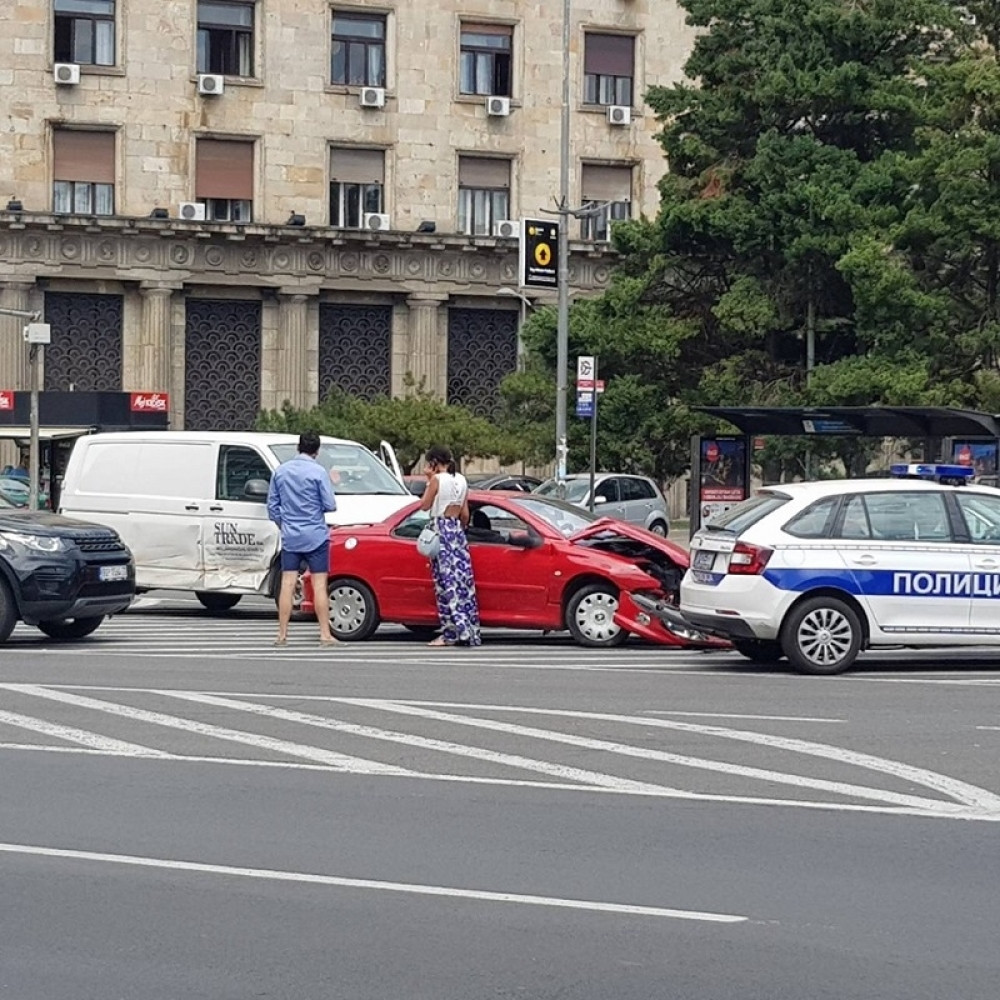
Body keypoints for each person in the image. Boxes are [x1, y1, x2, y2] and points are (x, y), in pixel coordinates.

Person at [266, 430, 337, 646]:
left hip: (291, 536)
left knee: (287, 583)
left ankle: (282, 634)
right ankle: (325, 634)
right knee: (319, 584)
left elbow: (272, 506)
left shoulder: (281, 471)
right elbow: (330, 504)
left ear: (298, 447)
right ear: (317, 450)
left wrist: (284, 522)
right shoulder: (318, 472)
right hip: (315, 534)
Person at [418, 445, 481, 647]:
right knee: (461, 582)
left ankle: (451, 632)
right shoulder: (461, 479)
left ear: (434, 463)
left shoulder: (437, 480)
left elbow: (425, 505)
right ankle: (468, 627)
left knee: (444, 583)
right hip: (456, 531)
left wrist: (429, 481)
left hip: (441, 529)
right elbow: (465, 514)